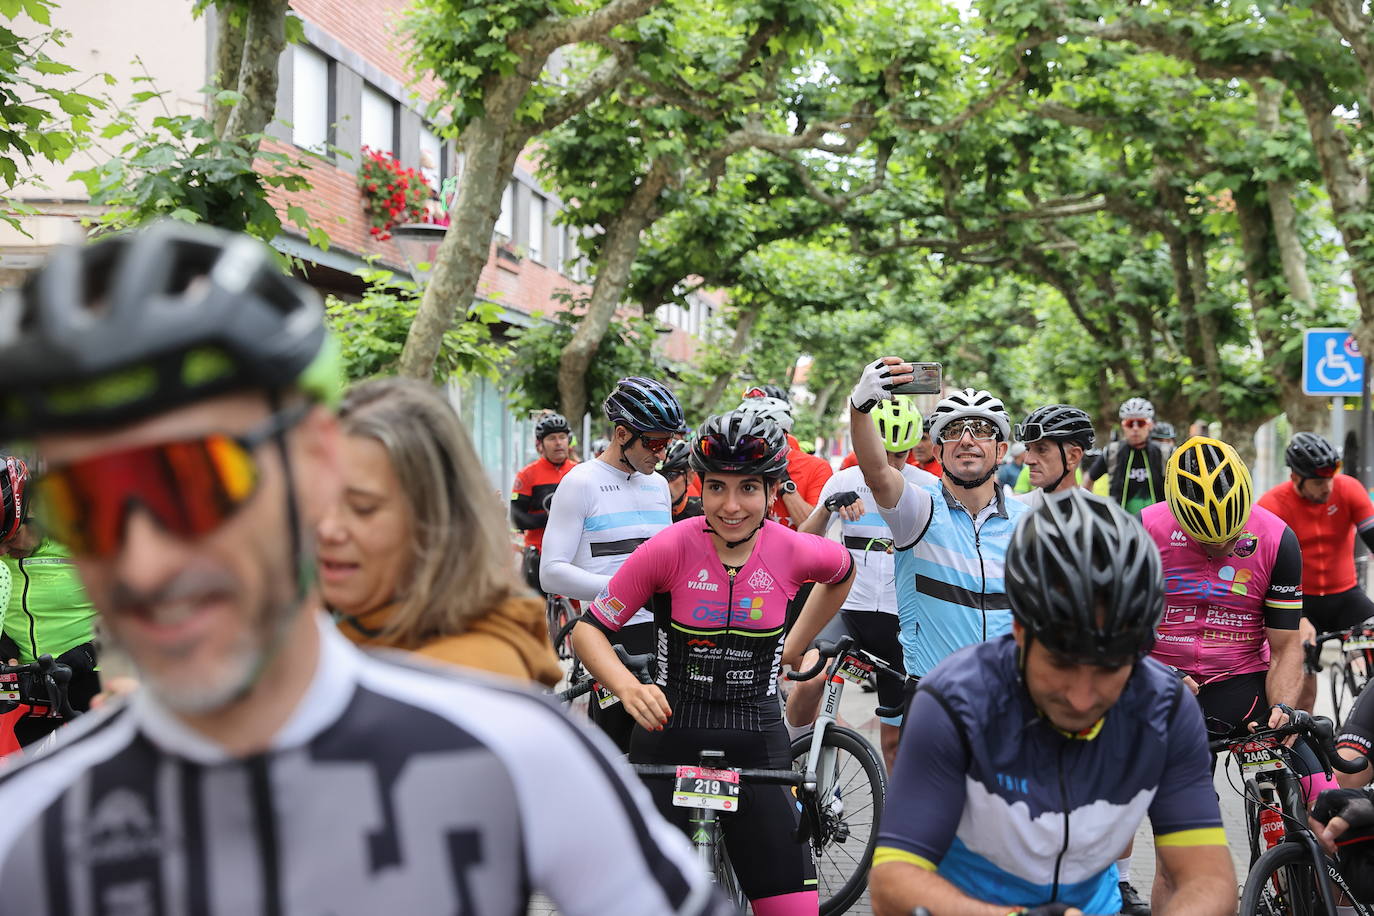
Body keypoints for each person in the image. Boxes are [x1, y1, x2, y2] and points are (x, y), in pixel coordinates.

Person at [0, 222, 725, 914]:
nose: (144, 555)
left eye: (205, 480)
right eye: (84, 501)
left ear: (317, 468)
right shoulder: (26, 823)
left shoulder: (517, 751)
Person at [870, 490, 1234, 916]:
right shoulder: (954, 702)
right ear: (1021, 631)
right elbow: (892, 882)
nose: (1081, 697)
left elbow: (1208, 878)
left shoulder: (1165, 710)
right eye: (1061, 663)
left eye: (1110, 667)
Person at [571, 407, 855, 916]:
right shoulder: (668, 548)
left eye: (748, 488)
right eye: (717, 487)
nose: (731, 505)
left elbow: (842, 570)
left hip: (758, 736)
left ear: (772, 491)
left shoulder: (791, 549)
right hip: (668, 729)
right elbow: (590, 630)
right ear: (698, 484)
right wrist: (630, 689)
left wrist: (797, 642)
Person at [1143, 436, 1305, 906]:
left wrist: (1285, 707)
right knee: (1181, 856)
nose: (1220, 546)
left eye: (1229, 537)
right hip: (1167, 689)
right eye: (1205, 539)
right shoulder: (1144, 530)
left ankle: (1306, 883)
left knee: (1316, 792)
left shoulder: (1276, 538)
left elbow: (1285, 645)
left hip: (1242, 685)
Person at [322, 378, 562, 686]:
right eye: (317, 499)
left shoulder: (464, 677)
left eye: (363, 507)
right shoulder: (330, 623)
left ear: (439, 520)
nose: (327, 529)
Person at [849, 359, 1029, 691]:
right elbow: (877, 474)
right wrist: (860, 409)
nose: (967, 439)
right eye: (953, 430)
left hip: (1009, 692)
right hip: (935, 694)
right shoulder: (918, 510)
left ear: (1001, 449)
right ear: (937, 450)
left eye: (982, 430)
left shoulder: (1025, 522)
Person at [541, 376, 685, 751]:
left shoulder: (656, 485)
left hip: (665, 630)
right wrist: (626, 590)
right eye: (654, 442)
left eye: (668, 442)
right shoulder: (581, 483)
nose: (662, 453)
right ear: (622, 434)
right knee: (618, 746)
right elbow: (550, 572)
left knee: (670, 743)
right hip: (611, 634)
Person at [793, 395, 936, 769]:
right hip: (850, 611)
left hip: (901, 621)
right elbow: (804, 542)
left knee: (894, 743)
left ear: (914, 449)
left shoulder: (928, 488)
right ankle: (789, 759)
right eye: (883, 451)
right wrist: (827, 508)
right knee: (808, 682)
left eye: (900, 455)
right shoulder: (844, 480)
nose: (890, 464)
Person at [1257, 431, 1374, 711]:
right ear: (1296, 478)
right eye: (1320, 482)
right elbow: (1262, 571)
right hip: (1301, 603)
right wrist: (1296, 619)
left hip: (1346, 595)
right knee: (1303, 693)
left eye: (1331, 479)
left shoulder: (1349, 488)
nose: (1328, 487)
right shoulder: (1272, 505)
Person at [0, 455, 102, 748]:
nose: (6, 547)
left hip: (90, 673)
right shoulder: (3, 546)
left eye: (14, 534)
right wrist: (3, 641)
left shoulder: (78, 537)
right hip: (23, 680)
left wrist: (87, 653)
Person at [739, 395, 832, 529]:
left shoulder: (817, 467)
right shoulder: (740, 464)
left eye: (757, 439)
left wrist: (784, 482)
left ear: (782, 435)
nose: (749, 446)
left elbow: (814, 531)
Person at [511, 411, 578, 592]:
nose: (558, 443)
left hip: (574, 551)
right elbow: (516, 517)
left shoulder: (580, 471)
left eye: (562, 437)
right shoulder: (527, 474)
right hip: (539, 551)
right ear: (540, 444)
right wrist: (551, 518)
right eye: (552, 438)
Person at [1082, 397, 1166, 516]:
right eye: (1130, 423)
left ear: (1150, 425)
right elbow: (1088, 479)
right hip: (1121, 525)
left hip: (1158, 524)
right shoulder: (1112, 452)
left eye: (1141, 423)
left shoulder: (1165, 452)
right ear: (1123, 426)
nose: (1135, 428)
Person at [1014, 405, 1095, 510]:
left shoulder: (1099, 515)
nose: (1028, 460)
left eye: (1041, 450)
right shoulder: (1015, 511)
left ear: (1073, 457)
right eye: (1028, 449)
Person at [659, 439, 703, 522]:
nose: (664, 483)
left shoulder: (704, 514)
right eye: (658, 475)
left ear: (690, 477)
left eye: (671, 475)